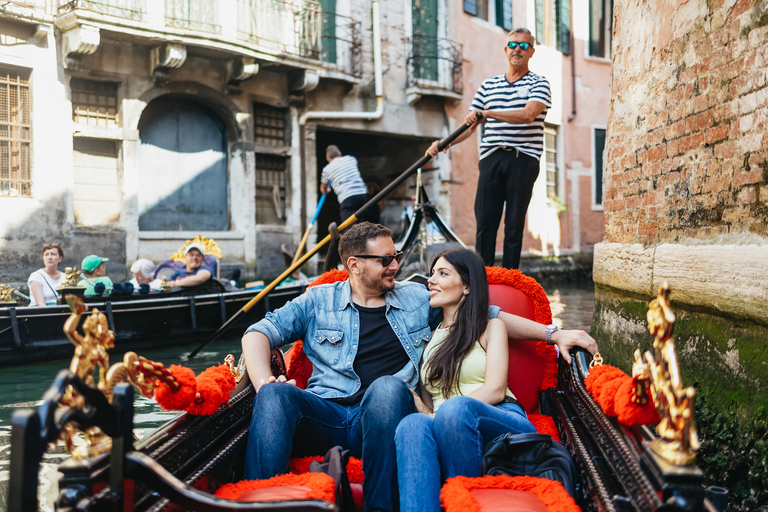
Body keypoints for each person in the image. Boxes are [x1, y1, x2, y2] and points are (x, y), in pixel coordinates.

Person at [241, 222, 597, 512]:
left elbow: (484, 314)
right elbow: (258, 333)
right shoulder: (318, 300)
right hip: (328, 414)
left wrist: (554, 333)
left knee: (386, 387)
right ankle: (264, 500)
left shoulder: (414, 296)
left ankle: (380, 509)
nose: (396, 266)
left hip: (386, 414)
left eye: (396, 256)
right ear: (355, 265)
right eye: (385, 260)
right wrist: (264, 381)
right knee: (274, 395)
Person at [395, 248, 536, 512]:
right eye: (432, 273)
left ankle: (463, 504)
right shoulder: (429, 339)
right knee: (411, 425)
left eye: (443, 273)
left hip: (500, 418)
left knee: (453, 409)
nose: (431, 280)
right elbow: (429, 403)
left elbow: (494, 390)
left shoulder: (491, 327)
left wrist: (441, 414)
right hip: (446, 423)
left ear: (467, 287)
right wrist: (429, 412)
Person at [426, 27, 551, 269]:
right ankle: (483, 277)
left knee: (513, 224)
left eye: (524, 46)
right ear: (506, 50)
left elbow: (527, 115)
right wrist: (443, 144)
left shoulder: (540, 83)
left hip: (523, 158)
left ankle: (510, 278)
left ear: (531, 52)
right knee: (485, 222)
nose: (518, 49)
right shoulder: (488, 86)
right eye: (513, 45)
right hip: (492, 157)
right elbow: (470, 125)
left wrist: (488, 113)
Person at [320, 145, 378, 224]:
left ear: (327, 158)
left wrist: (326, 190)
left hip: (347, 197)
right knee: (364, 221)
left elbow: (323, 188)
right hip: (362, 194)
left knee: (349, 226)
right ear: (340, 153)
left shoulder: (326, 169)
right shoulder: (351, 159)